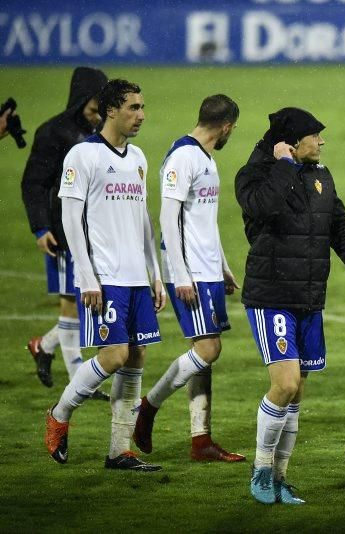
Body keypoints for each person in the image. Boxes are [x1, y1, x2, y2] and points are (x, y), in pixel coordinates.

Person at [235, 107, 345, 505]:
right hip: (272, 297)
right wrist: (284, 164)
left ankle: (281, 479)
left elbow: (341, 229)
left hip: (308, 298)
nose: (321, 142)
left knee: (297, 391)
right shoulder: (253, 176)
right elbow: (264, 208)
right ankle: (261, 469)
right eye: (315, 136)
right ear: (289, 143)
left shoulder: (322, 177)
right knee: (284, 385)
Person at [45, 79, 165, 471]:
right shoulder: (83, 155)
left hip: (135, 276)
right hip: (104, 274)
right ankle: (60, 414)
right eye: (133, 107)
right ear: (110, 109)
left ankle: (119, 451)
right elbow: (70, 218)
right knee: (113, 356)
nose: (141, 115)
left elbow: (144, 220)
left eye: (142, 107)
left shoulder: (139, 158)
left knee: (136, 357)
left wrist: (156, 273)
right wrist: (86, 275)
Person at [133, 94, 245, 463]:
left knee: (205, 353)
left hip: (207, 268)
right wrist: (179, 275)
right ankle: (148, 406)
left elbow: (202, 222)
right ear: (226, 127)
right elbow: (168, 218)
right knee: (208, 349)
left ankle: (201, 441)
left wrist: (224, 267)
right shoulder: (183, 156)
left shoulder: (204, 157)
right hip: (190, 271)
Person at [20, 67, 110, 397]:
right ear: (79, 100)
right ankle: (78, 381)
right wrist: (40, 227)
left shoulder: (101, 131)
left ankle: (44, 345)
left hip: (96, 232)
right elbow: (33, 183)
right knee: (72, 301)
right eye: (93, 106)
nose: (98, 113)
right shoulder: (53, 133)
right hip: (62, 232)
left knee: (85, 302)